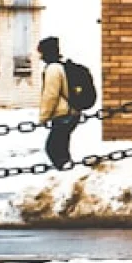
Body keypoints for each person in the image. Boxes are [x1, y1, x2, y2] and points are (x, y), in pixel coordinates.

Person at [36, 36, 77, 168]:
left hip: (63, 114)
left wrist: (43, 117)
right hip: (71, 112)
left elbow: (51, 95)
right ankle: (67, 170)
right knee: (61, 147)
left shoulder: (53, 69)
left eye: (41, 52)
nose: (40, 57)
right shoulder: (60, 66)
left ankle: (66, 172)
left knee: (53, 148)